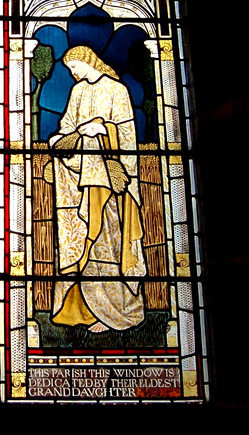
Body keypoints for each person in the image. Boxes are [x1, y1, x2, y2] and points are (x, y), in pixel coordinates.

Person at [46, 46, 146, 333]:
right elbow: (67, 126)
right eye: (70, 69)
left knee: (110, 242)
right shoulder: (78, 92)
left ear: (90, 62)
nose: (73, 73)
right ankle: (88, 311)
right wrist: (60, 138)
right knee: (85, 244)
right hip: (84, 180)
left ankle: (119, 312)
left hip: (112, 184)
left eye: (75, 67)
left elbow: (127, 135)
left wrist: (103, 129)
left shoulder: (116, 90)